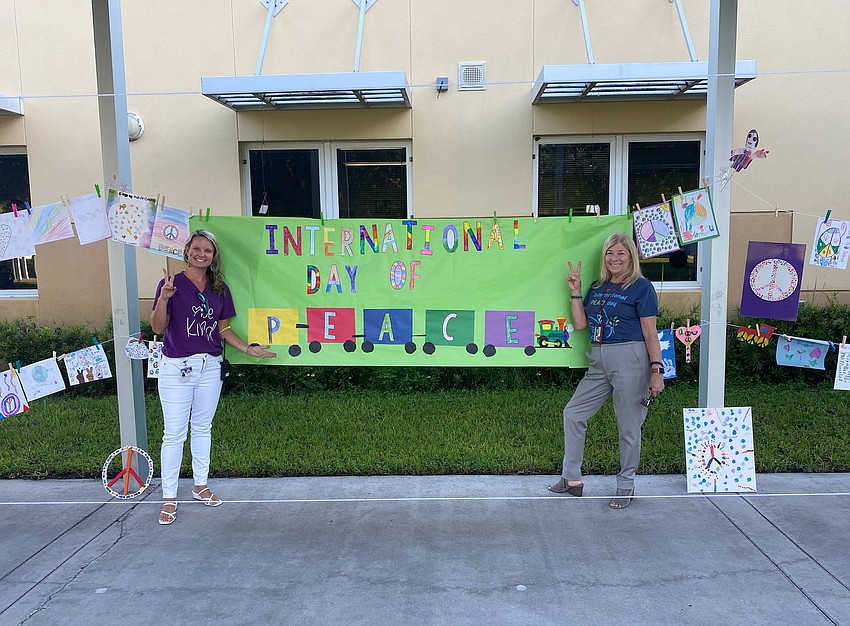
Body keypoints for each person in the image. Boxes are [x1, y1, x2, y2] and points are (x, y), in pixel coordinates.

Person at [150, 229, 276, 525]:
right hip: (176, 367)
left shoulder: (220, 289)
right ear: (187, 251)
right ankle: (169, 498)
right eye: (197, 249)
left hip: (210, 366)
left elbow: (222, 329)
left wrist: (248, 348)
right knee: (174, 433)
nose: (201, 254)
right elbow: (157, 328)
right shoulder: (171, 284)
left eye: (207, 250)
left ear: (213, 256)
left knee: (203, 427)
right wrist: (164, 299)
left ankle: (200, 485)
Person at [548, 232, 664, 509]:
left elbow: (650, 331)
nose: (615, 258)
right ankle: (571, 478)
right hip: (599, 358)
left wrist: (656, 369)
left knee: (628, 426)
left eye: (621, 253)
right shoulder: (598, 287)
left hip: (630, 357)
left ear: (631, 257)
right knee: (573, 413)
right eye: (610, 253)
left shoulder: (641, 286)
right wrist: (575, 290)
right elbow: (580, 324)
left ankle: (626, 485)